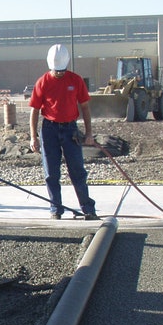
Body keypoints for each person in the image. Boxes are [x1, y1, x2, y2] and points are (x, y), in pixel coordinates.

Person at [28, 43, 99, 221]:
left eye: (62, 70)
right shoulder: (42, 82)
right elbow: (34, 111)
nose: (59, 74)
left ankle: (88, 209)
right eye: (56, 71)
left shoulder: (75, 80)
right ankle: (56, 210)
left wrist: (89, 133)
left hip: (70, 130)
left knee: (77, 170)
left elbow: (85, 107)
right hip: (49, 130)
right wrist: (33, 137)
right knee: (51, 173)